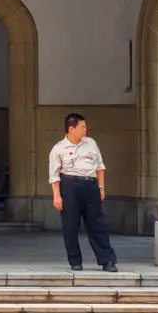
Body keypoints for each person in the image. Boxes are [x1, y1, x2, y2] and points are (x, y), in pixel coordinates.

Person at [48, 111, 117, 272]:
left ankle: (107, 260)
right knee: (70, 225)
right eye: (82, 127)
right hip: (70, 186)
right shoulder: (58, 149)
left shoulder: (91, 143)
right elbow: (54, 175)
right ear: (71, 129)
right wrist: (57, 196)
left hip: (90, 185)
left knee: (97, 224)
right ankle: (75, 260)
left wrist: (101, 187)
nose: (85, 130)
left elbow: (100, 167)